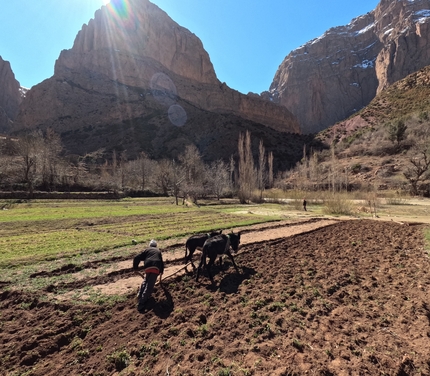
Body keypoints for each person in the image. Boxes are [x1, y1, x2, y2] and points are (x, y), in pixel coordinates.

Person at [133, 239, 164, 313]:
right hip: (156, 267)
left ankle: (139, 296)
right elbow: (162, 263)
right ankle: (141, 304)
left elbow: (136, 257)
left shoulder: (147, 250)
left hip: (147, 267)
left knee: (145, 281)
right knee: (149, 286)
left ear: (149, 245)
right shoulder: (158, 251)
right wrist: (161, 272)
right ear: (156, 246)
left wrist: (135, 268)